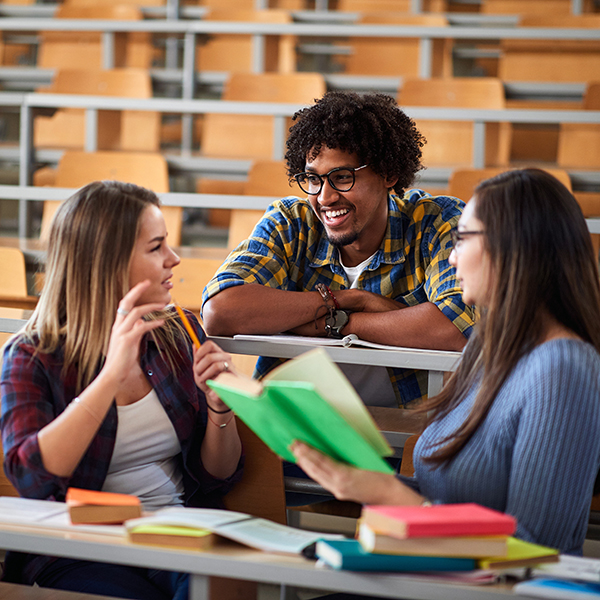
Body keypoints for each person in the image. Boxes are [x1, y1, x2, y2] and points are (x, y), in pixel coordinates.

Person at [289, 168, 600, 556]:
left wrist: (388, 493)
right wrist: (363, 481)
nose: (452, 258)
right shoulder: (490, 348)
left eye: (462, 239)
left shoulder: (563, 368)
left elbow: (536, 549)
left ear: (516, 247)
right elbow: (446, 499)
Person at [0, 181, 243, 600]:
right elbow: (33, 477)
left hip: (177, 533)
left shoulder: (177, 332)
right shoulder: (31, 356)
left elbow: (216, 477)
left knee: (220, 588)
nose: (174, 259)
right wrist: (110, 375)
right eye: (156, 247)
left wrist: (221, 410)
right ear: (106, 263)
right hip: (78, 548)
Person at [202, 91, 476, 409]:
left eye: (342, 177)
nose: (325, 197)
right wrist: (344, 300)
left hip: (406, 444)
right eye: (313, 179)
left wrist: (338, 322)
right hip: (295, 435)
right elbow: (220, 311)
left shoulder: (437, 221)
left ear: (389, 173)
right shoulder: (291, 223)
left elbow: (453, 329)